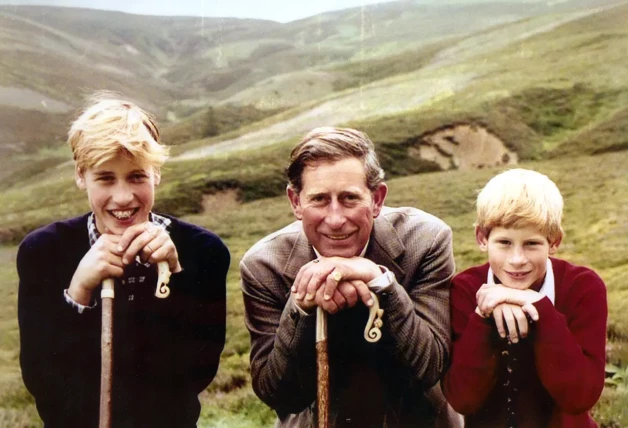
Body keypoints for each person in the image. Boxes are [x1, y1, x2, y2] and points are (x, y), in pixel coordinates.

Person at [17, 93, 230, 428]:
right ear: (80, 176)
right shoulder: (42, 251)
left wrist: (173, 274)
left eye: (136, 176)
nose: (123, 197)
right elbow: (43, 381)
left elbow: (197, 373)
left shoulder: (202, 251)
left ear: (156, 173)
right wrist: (78, 291)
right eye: (105, 178)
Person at [240, 127, 460, 427]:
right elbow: (278, 393)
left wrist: (381, 284)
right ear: (295, 202)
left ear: (377, 199)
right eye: (318, 199)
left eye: (349, 198)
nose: (335, 218)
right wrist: (301, 308)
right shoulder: (264, 265)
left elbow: (429, 366)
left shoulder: (425, 240)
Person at [442, 168, 607, 427]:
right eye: (504, 243)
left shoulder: (583, 287)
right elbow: (463, 399)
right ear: (482, 238)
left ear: (554, 242)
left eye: (531, 244)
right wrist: (483, 316)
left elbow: (580, 397)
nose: (517, 260)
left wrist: (539, 306)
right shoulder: (465, 289)